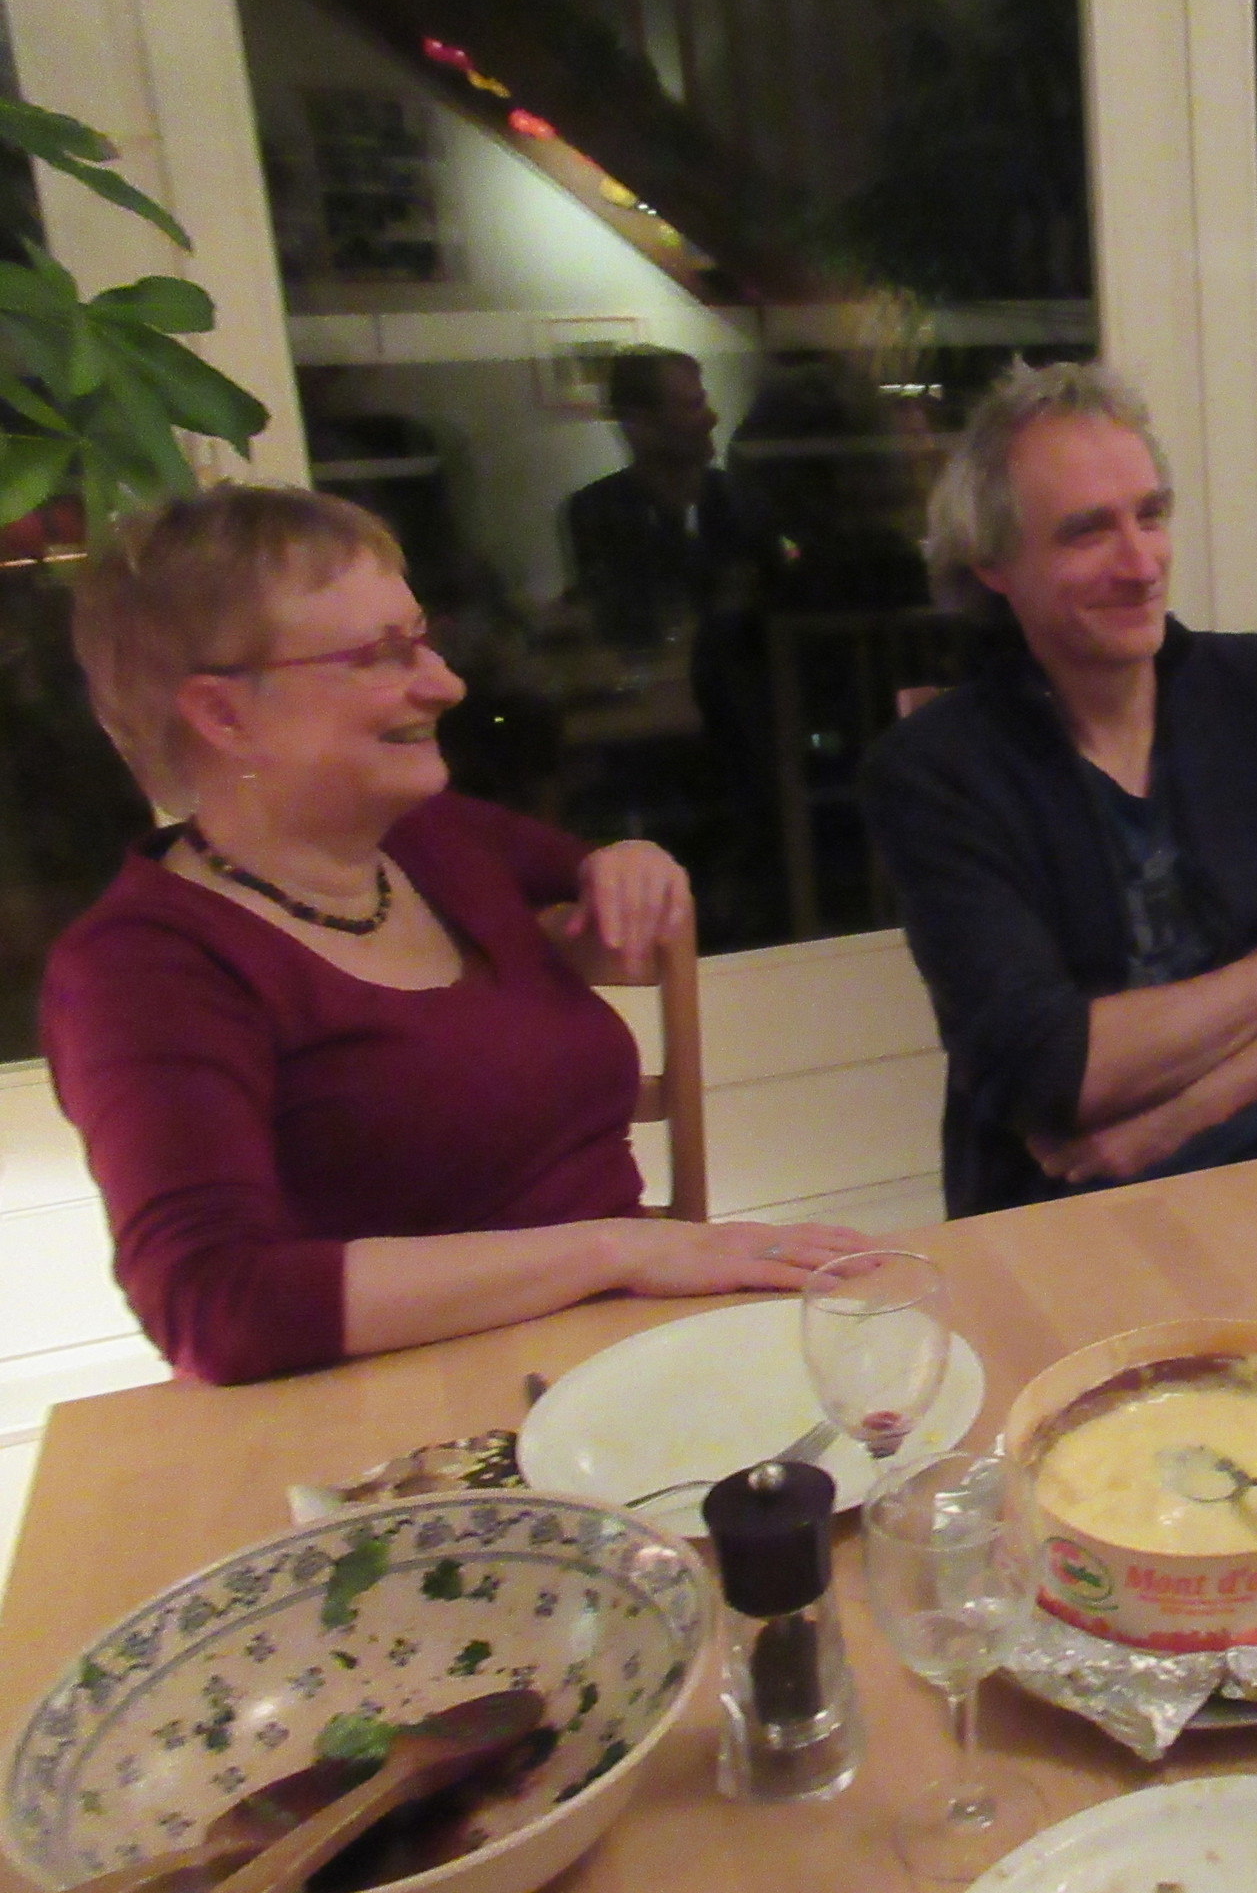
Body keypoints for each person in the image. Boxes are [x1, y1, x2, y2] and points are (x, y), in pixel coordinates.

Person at [42, 486, 863, 1385]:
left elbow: (591, 867)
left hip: (624, 1356)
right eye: (380, 656)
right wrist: (616, 1250)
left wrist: (631, 858)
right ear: (223, 714)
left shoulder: (432, 838)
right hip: (406, 1411)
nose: (446, 684)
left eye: (422, 639)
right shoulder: (144, 970)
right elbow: (215, 1305)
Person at [866, 362, 1257, 1216]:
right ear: (995, 564)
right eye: (1087, 532)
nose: (1141, 562)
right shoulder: (937, 768)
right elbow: (1047, 1070)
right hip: (1086, 1200)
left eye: (1149, 516)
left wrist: (1184, 1112)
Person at [562, 347, 769, 654]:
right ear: (638, 425)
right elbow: (614, 628)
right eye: (694, 406)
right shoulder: (597, 511)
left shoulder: (742, 499)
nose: (712, 418)